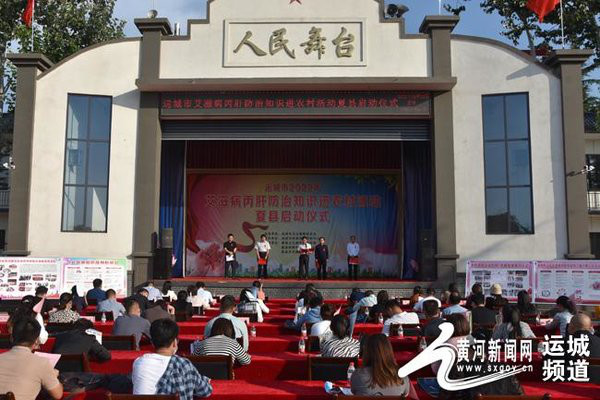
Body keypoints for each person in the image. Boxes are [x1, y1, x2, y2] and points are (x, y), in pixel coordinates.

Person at [132, 318, 212, 398]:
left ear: (152, 342)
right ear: (174, 342)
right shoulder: (184, 364)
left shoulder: (139, 362)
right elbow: (205, 391)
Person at [0, 316, 63, 400]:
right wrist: (53, 377)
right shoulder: (42, 363)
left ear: (12, 338)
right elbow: (58, 395)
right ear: (36, 341)